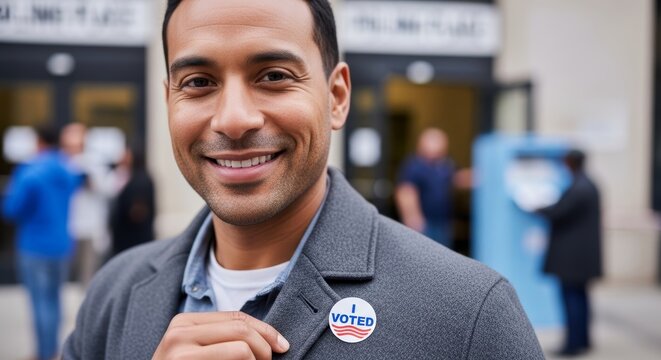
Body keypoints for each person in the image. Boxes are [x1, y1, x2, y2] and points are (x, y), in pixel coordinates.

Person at [63, 1, 544, 359]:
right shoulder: (113, 295)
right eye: (199, 82)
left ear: (336, 97)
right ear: (169, 100)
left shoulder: (468, 315)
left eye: (272, 75)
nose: (233, 119)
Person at [2, 125, 82, 360]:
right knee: (55, 301)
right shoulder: (67, 169)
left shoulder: (30, 171)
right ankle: (54, 349)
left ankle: (44, 353)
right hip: (62, 244)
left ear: (38, 142)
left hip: (35, 246)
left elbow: (12, 209)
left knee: (40, 303)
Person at [536, 149, 602, 356]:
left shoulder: (578, 188)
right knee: (581, 298)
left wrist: (537, 208)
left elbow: (559, 212)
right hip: (583, 256)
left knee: (572, 300)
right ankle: (583, 340)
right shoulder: (589, 184)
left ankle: (573, 345)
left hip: (572, 257)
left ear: (570, 163)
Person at [395, 128, 470, 248]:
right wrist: (412, 217)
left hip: (443, 222)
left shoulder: (445, 164)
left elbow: (457, 178)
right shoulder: (414, 166)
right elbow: (406, 192)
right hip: (424, 223)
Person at [109, 145, 156, 256]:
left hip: (134, 240)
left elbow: (138, 212)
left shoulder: (141, 180)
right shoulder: (128, 176)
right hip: (125, 239)